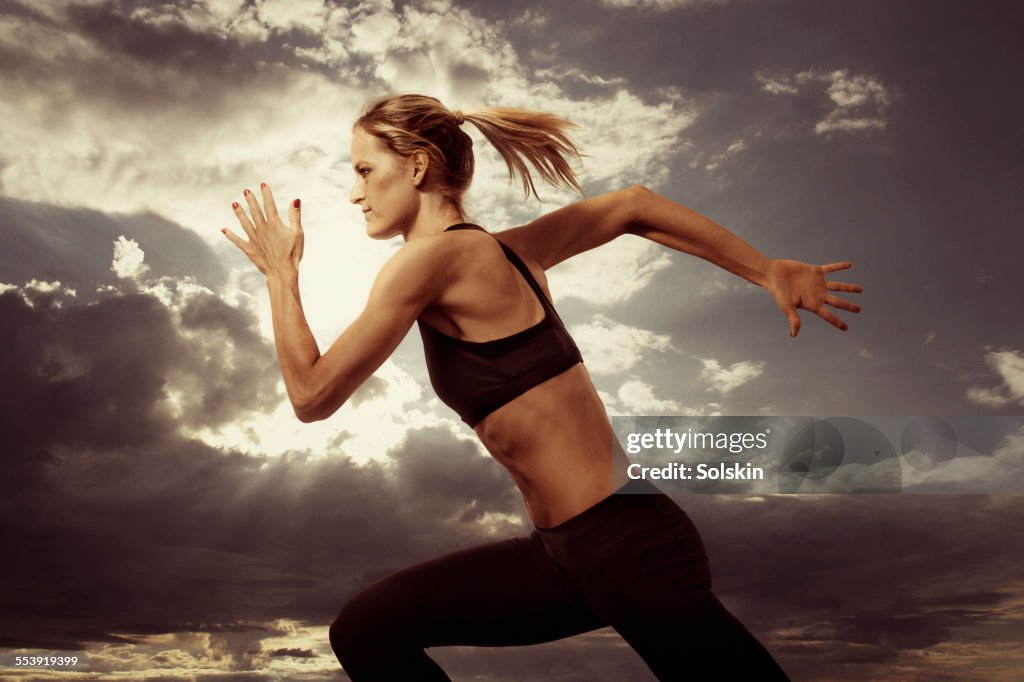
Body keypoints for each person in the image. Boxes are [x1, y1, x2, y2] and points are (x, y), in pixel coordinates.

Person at [221, 93, 862, 681]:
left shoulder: (426, 260)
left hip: (627, 546)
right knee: (367, 628)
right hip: (565, 557)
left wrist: (281, 274)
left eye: (363, 169)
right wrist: (764, 268)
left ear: (416, 167)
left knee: (367, 631)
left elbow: (311, 396)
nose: (354, 191)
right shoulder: (509, 251)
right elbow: (632, 205)